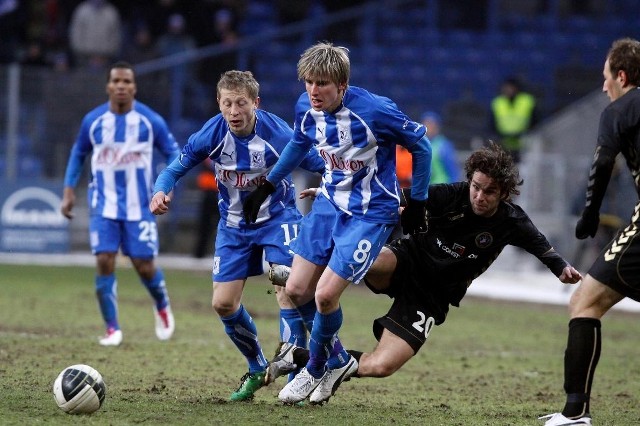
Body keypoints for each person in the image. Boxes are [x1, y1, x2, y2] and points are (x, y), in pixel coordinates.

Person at [265, 142, 582, 405]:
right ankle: (299, 273)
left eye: (489, 191)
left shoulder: (512, 221)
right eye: (476, 187)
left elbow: (543, 247)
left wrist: (562, 269)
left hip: (433, 297)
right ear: (469, 181)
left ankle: (303, 358)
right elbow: (393, 198)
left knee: (381, 365)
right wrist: (332, 194)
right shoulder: (452, 194)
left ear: (504, 192)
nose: (480, 197)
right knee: (362, 261)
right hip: (408, 260)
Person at [242, 42, 432, 405]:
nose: (314, 91)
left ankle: (315, 368)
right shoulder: (305, 107)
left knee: (325, 294)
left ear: (342, 85)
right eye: (309, 82)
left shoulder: (376, 111)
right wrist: (265, 185)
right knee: (297, 291)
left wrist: (418, 202)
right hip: (329, 205)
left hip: (371, 213)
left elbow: (422, 147)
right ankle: (339, 360)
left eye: (323, 84)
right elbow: (298, 146)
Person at [150, 70, 325, 401]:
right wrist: (162, 191)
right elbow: (174, 168)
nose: (234, 111)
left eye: (241, 103)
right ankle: (258, 368)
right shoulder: (211, 134)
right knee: (223, 303)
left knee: (287, 285)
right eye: (227, 103)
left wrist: (333, 185)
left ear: (255, 103)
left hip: (278, 217)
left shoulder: (277, 132)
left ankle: (299, 365)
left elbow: (320, 162)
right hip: (233, 226)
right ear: (219, 102)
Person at [540, 37, 640, 426]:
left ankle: (575, 412)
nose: (603, 87)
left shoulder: (620, 109)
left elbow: (602, 165)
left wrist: (588, 215)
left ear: (620, 75)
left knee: (585, 300)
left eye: (605, 78)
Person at [60, 61, 179, 347]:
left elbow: (175, 154)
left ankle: (161, 304)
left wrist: (167, 188)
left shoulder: (151, 121)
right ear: (108, 86)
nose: (122, 86)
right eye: (117, 81)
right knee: (104, 260)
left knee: (144, 266)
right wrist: (68, 190)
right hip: (104, 204)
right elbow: (78, 153)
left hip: (140, 206)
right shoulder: (94, 121)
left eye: (127, 81)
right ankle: (112, 328)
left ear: (134, 87)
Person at [488, 76, 537, 163]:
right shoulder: (498, 102)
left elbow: (535, 120)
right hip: (503, 144)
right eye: (506, 87)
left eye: (511, 87)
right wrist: (500, 136)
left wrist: (525, 133)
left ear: (516, 88)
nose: (508, 90)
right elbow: (491, 124)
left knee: (523, 171)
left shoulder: (527, 101)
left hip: (524, 144)